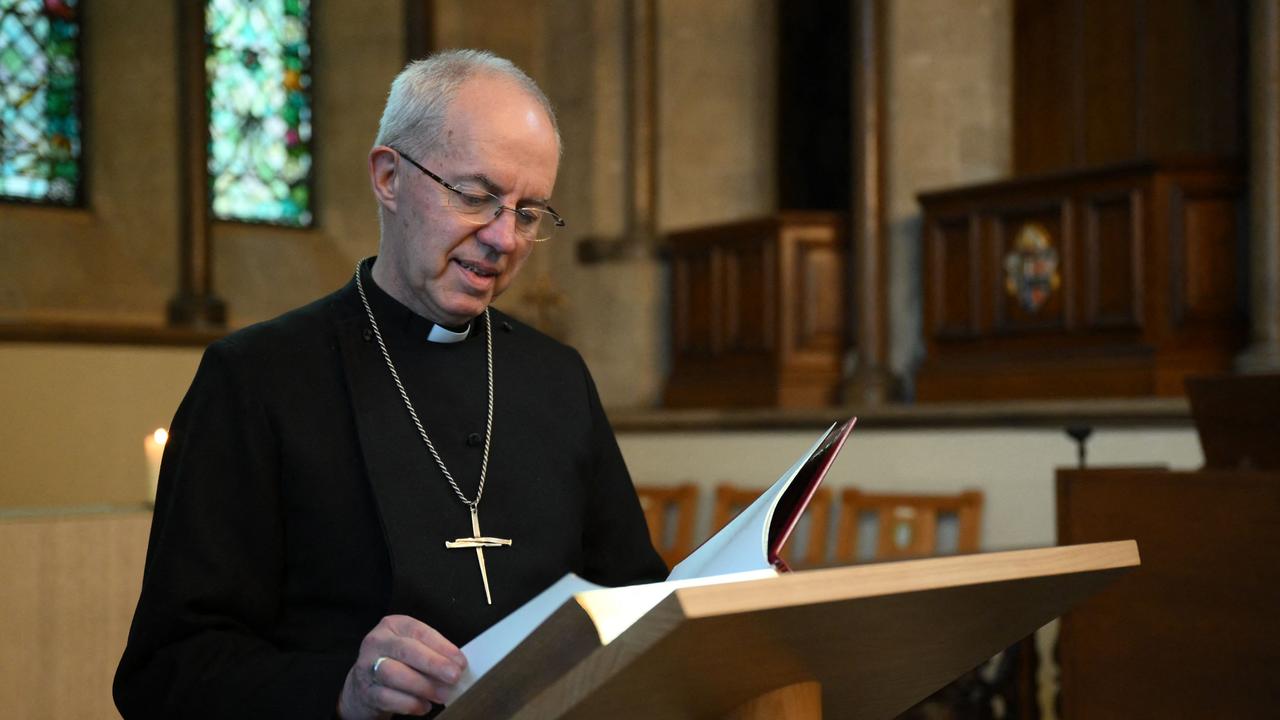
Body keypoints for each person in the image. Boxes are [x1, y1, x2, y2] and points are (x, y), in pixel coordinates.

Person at [114, 49, 667, 719]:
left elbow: (636, 599)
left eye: (528, 213)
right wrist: (342, 691)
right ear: (388, 177)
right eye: (476, 196)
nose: (503, 239)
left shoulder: (558, 378)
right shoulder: (256, 379)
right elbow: (167, 670)